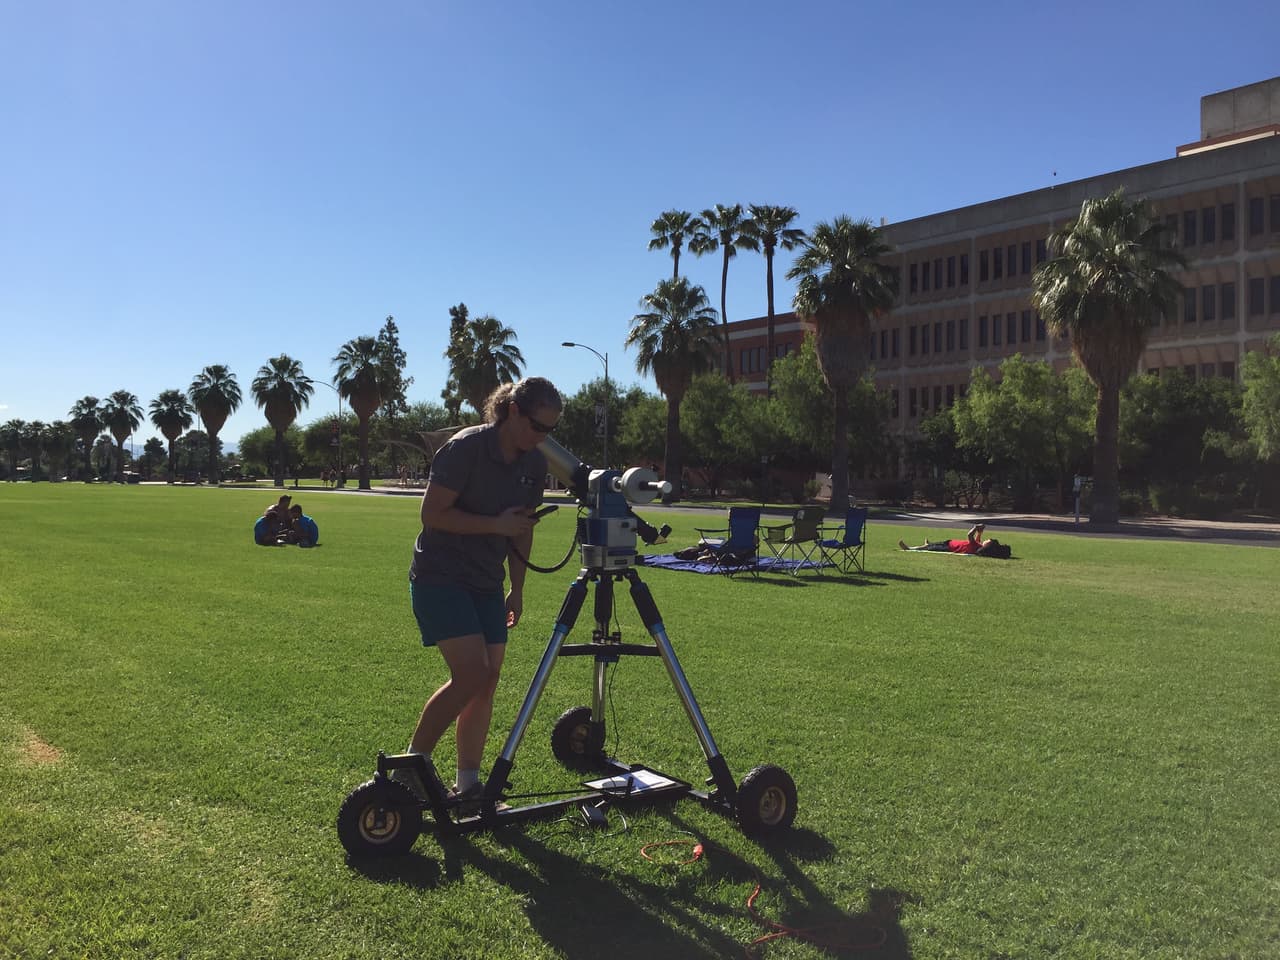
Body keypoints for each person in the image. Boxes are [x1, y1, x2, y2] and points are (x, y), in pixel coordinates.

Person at [394, 376, 563, 808]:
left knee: (486, 681)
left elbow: (521, 531)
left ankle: (467, 784)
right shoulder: (466, 448)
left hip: (488, 582)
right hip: (440, 577)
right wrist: (495, 525)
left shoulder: (534, 464)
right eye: (537, 426)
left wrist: (517, 589)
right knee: (469, 674)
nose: (543, 438)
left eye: (551, 431)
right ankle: (410, 768)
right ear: (512, 412)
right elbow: (432, 514)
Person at [899, 523, 1011, 558]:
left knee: (929, 548)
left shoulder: (976, 547)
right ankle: (927, 544)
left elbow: (970, 536)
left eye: (988, 540)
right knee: (932, 545)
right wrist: (980, 533)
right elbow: (977, 539)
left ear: (988, 545)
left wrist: (975, 528)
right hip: (950, 542)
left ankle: (909, 548)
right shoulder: (978, 546)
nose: (986, 540)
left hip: (950, 547)